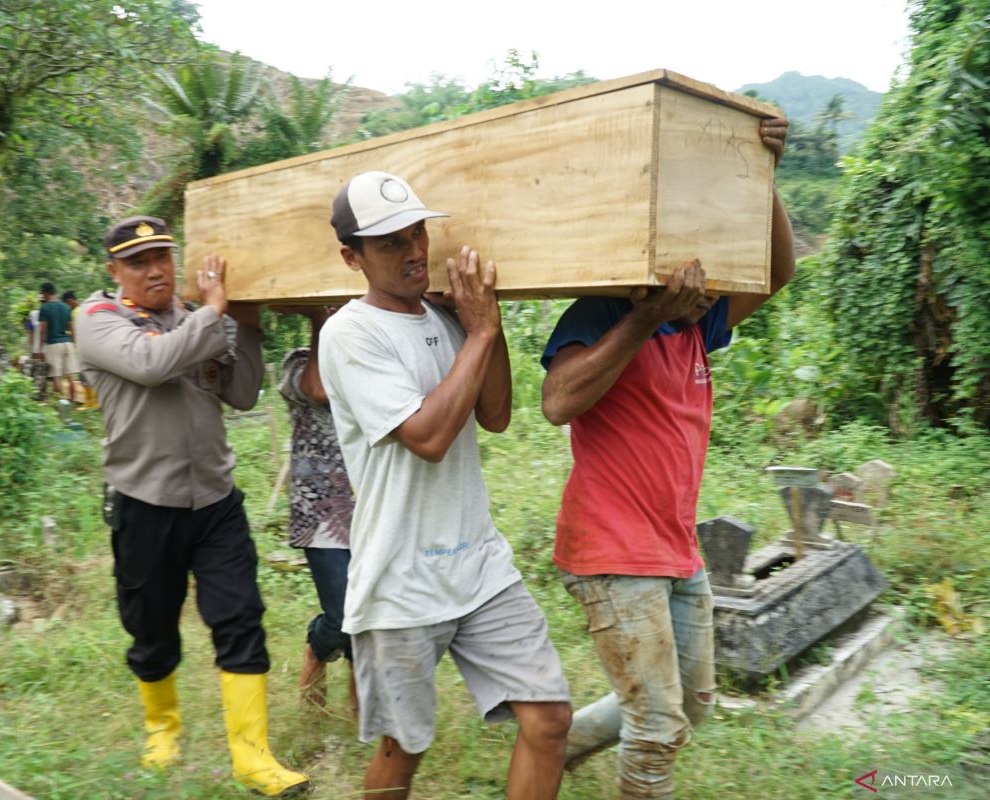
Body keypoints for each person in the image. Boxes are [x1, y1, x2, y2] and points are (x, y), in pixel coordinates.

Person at [538, 118, 795, 799]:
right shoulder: (602, 314)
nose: (710, 282)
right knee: (656, 727)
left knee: (692, 706)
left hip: (676, 549)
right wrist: (646, 318)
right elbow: (558, 401)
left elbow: (779, 274)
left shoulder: (698, 327)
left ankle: (555, 749)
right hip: (613, 549)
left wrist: (764, 175)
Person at [318, 171, 572, 800]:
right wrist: (481, 332)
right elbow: (429, 439)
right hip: (400, 581)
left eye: (417, 233)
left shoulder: (446, 316)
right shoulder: (349, 334)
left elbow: (496, 414)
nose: (414, 252)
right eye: (390, 244)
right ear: (352, 257)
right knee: (402, 751)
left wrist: (490, 322)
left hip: (478, 566)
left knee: (550, 719)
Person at [75, 215, 308, 796]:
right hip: (144, 504)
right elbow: (153, 366)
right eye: (137, 261)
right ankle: (162, 730)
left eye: (162, 256)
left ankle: (253, 759)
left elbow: (242, 392)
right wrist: (216, 311)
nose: (154, 269)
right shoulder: (97, 320)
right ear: (113, 271)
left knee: (240, 617)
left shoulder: (192, 317)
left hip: (215, 501)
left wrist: (246, 329)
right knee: (151, 628)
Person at [273, 306, 356, 712]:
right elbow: (319, 389)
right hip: (322, 514)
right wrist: (321, 318)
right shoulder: (298, 363)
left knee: (370, 620)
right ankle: (315, 646)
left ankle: (366, 722)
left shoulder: (368, 358)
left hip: (373, 508)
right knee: (342, 616)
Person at [36, 283, 77, 402]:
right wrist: (73, 343)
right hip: (67, 343)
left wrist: (39, 349)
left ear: (45, 293)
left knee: (56, 376)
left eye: (42, 293)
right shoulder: (66, 307)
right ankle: (72, 403)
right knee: (71, 377)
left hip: (53, 344)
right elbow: (71, 328)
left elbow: (43, 331)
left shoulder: (45, 308)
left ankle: (60, 405)